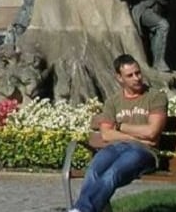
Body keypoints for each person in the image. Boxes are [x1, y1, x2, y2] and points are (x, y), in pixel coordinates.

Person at [69, 54, 167, 212]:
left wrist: (119, 126)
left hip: (144, 152)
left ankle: (81, 209)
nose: (136, 78)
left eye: (138, 73)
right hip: (115, 148)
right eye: (130, 75)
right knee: (94, 171)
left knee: (113, 173)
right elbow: (107, 135)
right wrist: (133, 136)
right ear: (119, 78)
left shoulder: (156, 97)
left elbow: (152, 131)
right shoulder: (113, 102)